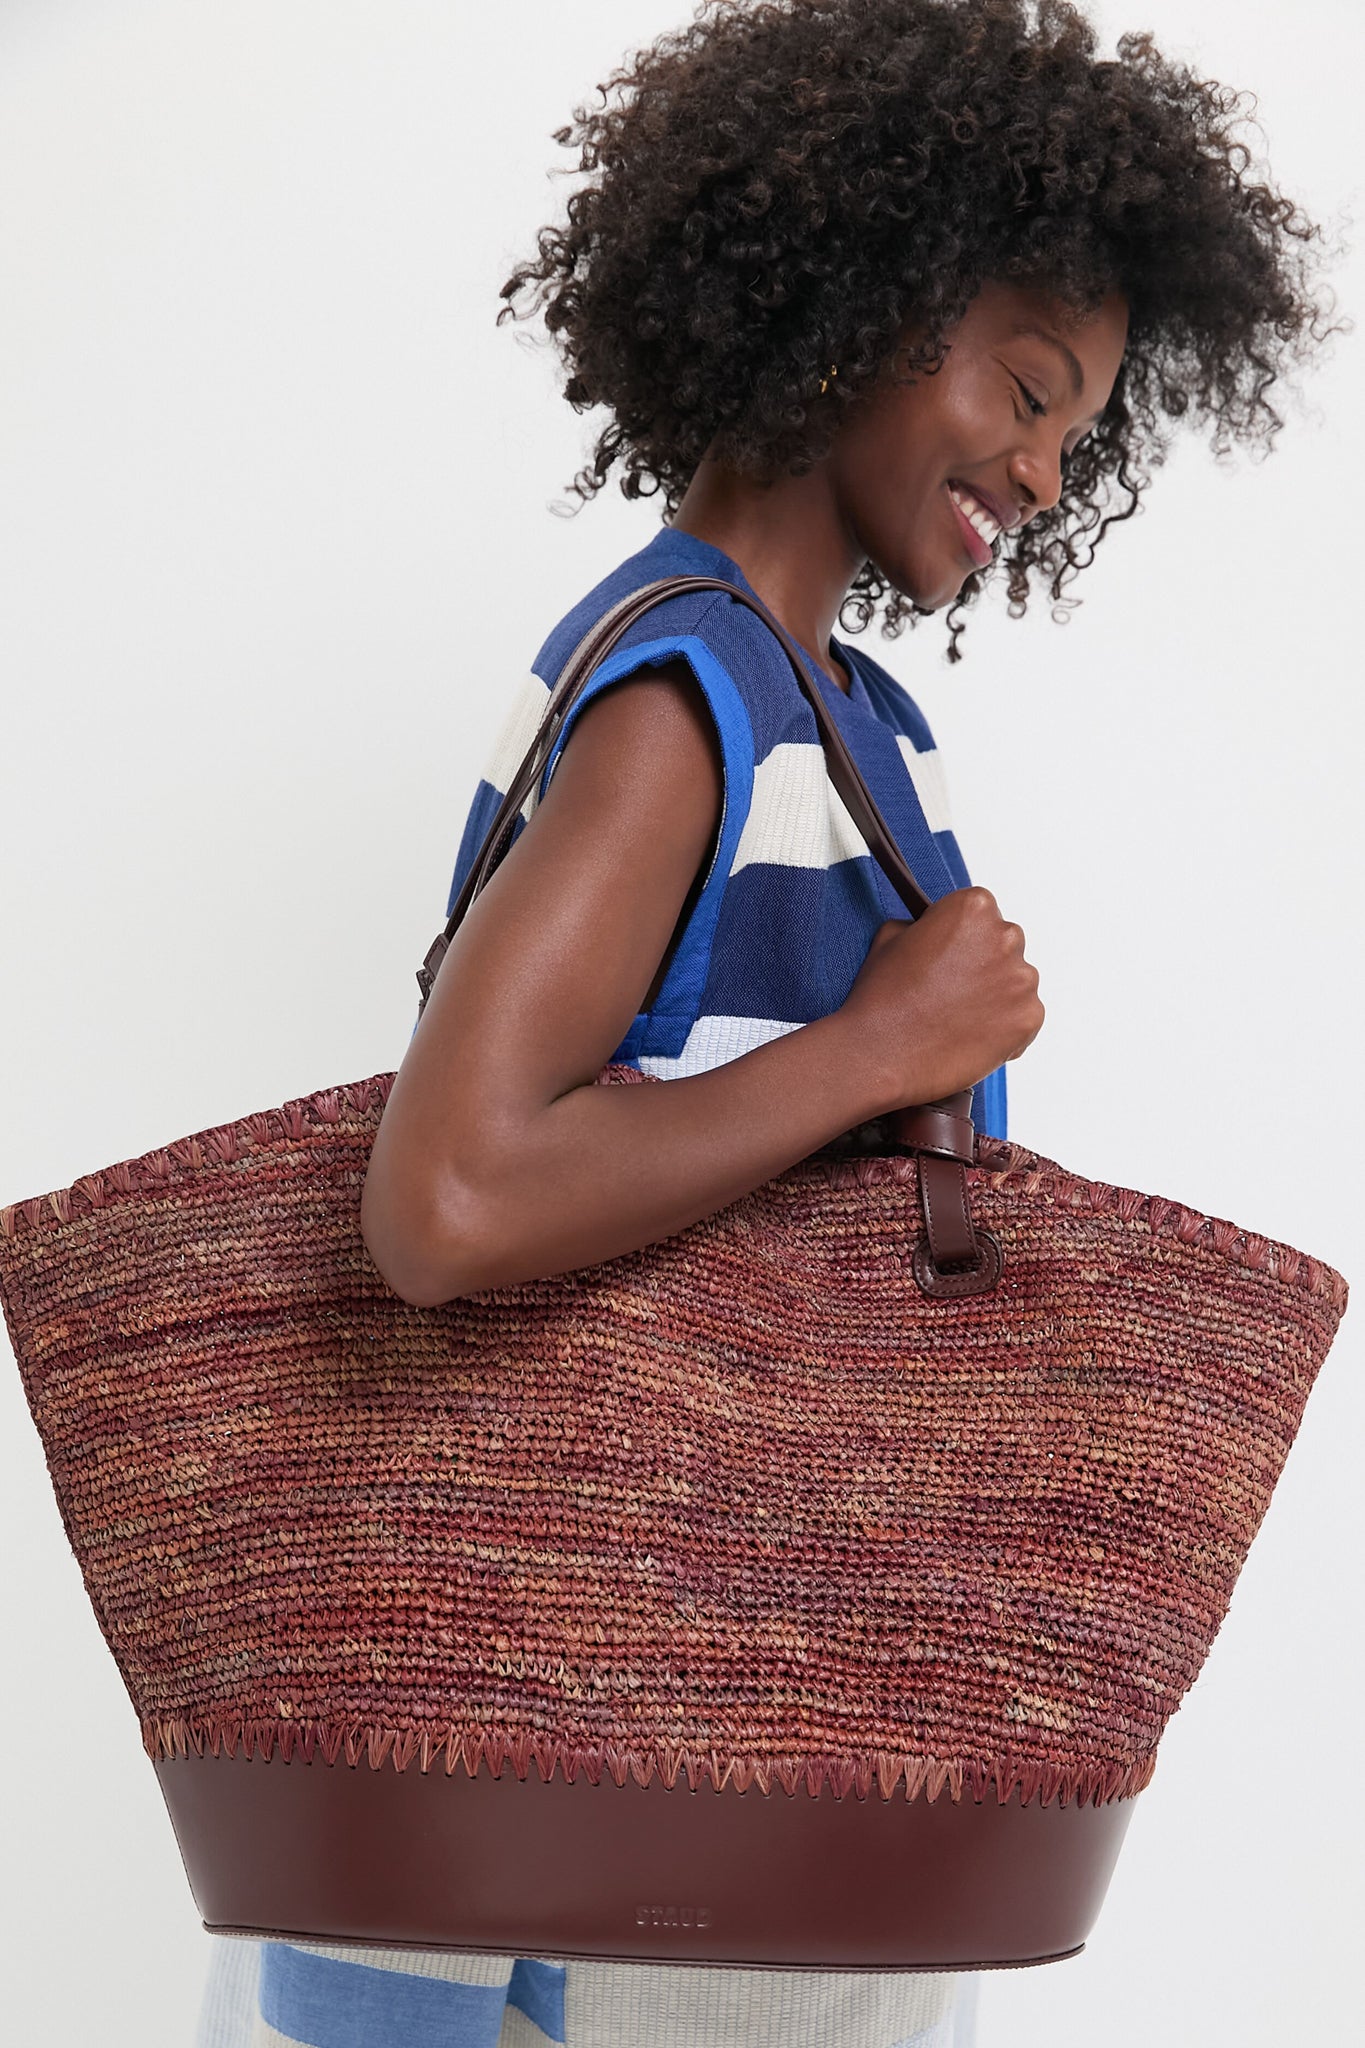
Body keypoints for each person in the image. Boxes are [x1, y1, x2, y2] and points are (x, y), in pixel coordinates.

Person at [197, 1, 1335, 2042]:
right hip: (580, 1799)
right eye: (1023, 389)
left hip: (699, 1749)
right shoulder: (684, 701)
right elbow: (444, 1205)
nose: (1044, 470)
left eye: (1077, 432)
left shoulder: (843, 721)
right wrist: (879, 1050)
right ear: (863, 304)